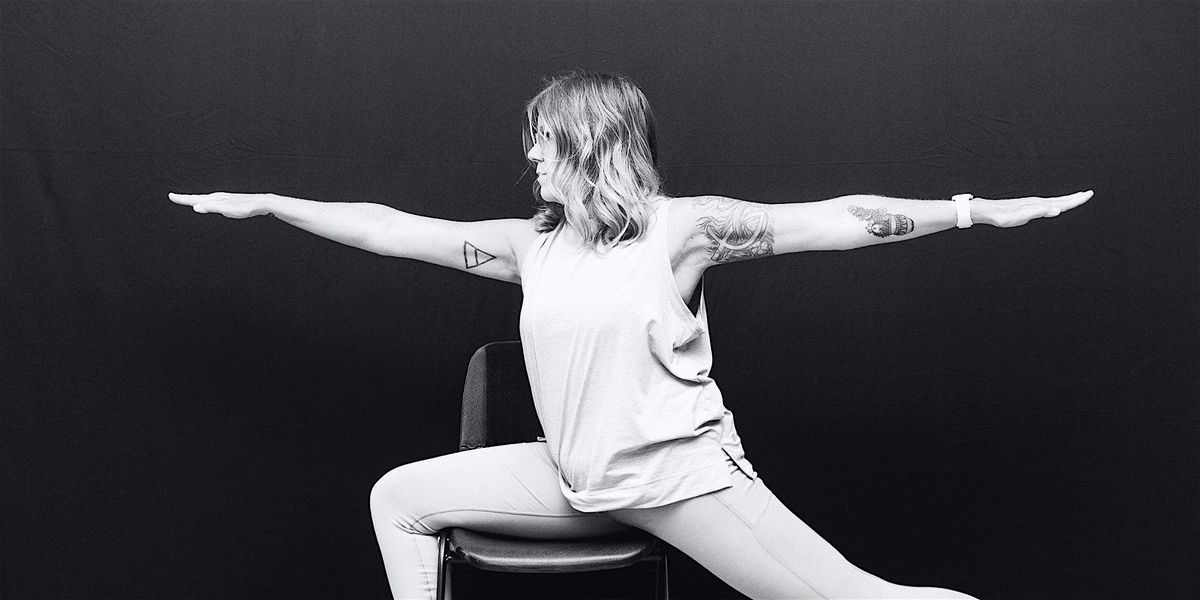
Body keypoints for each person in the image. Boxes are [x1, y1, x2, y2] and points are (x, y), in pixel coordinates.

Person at [170, 71, 1091, 600]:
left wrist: (975, 213)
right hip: (574, 476)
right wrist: (271, 204)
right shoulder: (531, 245)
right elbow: (390, 227)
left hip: (679, 481)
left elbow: (841, 217)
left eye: (541, 140)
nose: (528, 156)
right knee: (399, 499)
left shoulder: (681, 228)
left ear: (588, 145)